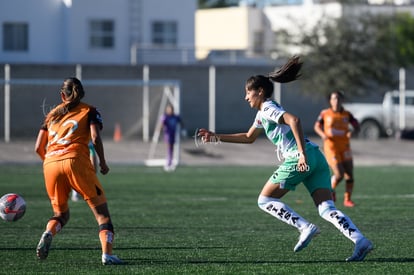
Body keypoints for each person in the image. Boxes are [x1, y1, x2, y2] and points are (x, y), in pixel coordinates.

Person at [197, 56, 373, 261]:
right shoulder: (263, 113)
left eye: (248, 92)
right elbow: (248, 137)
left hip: (301, 158)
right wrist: (215, 137)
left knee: (264, 200)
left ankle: (305, 227)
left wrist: (300, 155)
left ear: (260, 92)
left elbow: (294, 120)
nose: (246, 97)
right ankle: (360, 240)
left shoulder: (269, 108)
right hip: (316, 156)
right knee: (326, 208)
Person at [34, 77, 124, 265]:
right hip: (76, 161)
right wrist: (103, 162)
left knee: (61, 214)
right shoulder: (89, 110)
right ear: (82, 93)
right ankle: (107, 255)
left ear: (62, 95)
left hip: (50, 164)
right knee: (102, 215)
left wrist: (51, 162)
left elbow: (38, 147)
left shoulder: (51, 114)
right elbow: (95, 138)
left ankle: (48, 232)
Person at [314, 91, 360, 207]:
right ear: (330, 101)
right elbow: (317, 126)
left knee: (349, 173)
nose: (336, 101)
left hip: (345, 147)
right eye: (334, 98)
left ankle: (347, 199)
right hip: (331, 147)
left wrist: (352, 132)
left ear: (342, 100)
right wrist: (323, 134)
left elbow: (356, 125)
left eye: (338, 98)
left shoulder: (347, 114)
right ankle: (331, 190)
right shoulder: (325, 113)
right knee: (339, 174)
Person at [161, 104, 182, 171]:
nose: (169, 110)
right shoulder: (165, 117)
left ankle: (170, 162)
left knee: (171, 149)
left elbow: (181, 122)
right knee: (169, 148)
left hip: (173, 134)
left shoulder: (175, 117)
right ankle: (168, 163)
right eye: (168, 109)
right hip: (168, 134)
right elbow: (162, 124)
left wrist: (184, 130)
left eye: (171, 109)